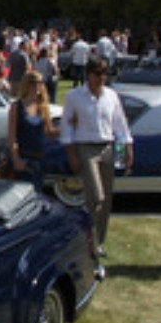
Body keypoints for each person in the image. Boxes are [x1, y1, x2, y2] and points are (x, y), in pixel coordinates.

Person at [60, 57, 131, 257]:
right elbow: (66, 127)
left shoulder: (111, 96)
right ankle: (83, 236)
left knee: (106, 199)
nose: (101, 78)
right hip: (86, 147)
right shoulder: (75, 96)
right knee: (95, 196)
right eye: (97, 73)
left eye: (104, 73)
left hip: (108, 146)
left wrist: (125, 151)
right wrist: (71, 154)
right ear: (88, 75)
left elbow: (120, 125)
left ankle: (97, 243)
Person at [9, 73, 56, 186]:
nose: (39, 86)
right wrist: (16, 159)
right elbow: (12, 136)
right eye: (35, 83)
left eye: (41, 83)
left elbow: (49, 131)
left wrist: (68, 127)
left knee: (39, 193)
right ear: (27, 85)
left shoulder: (43, 106)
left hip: (40, 158)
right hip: (24, 157)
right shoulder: (17, 107)